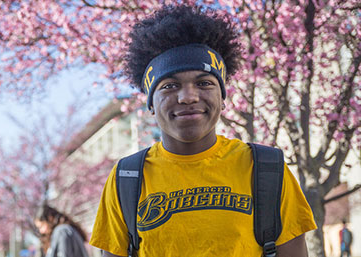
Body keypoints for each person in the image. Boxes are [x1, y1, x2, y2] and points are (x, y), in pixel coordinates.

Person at [89, 5, 317, 257]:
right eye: (170, 85)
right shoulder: (126, 179)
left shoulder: (267, 169)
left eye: (204, 82)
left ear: (222, 99)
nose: (188, 96)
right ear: (151, 104)